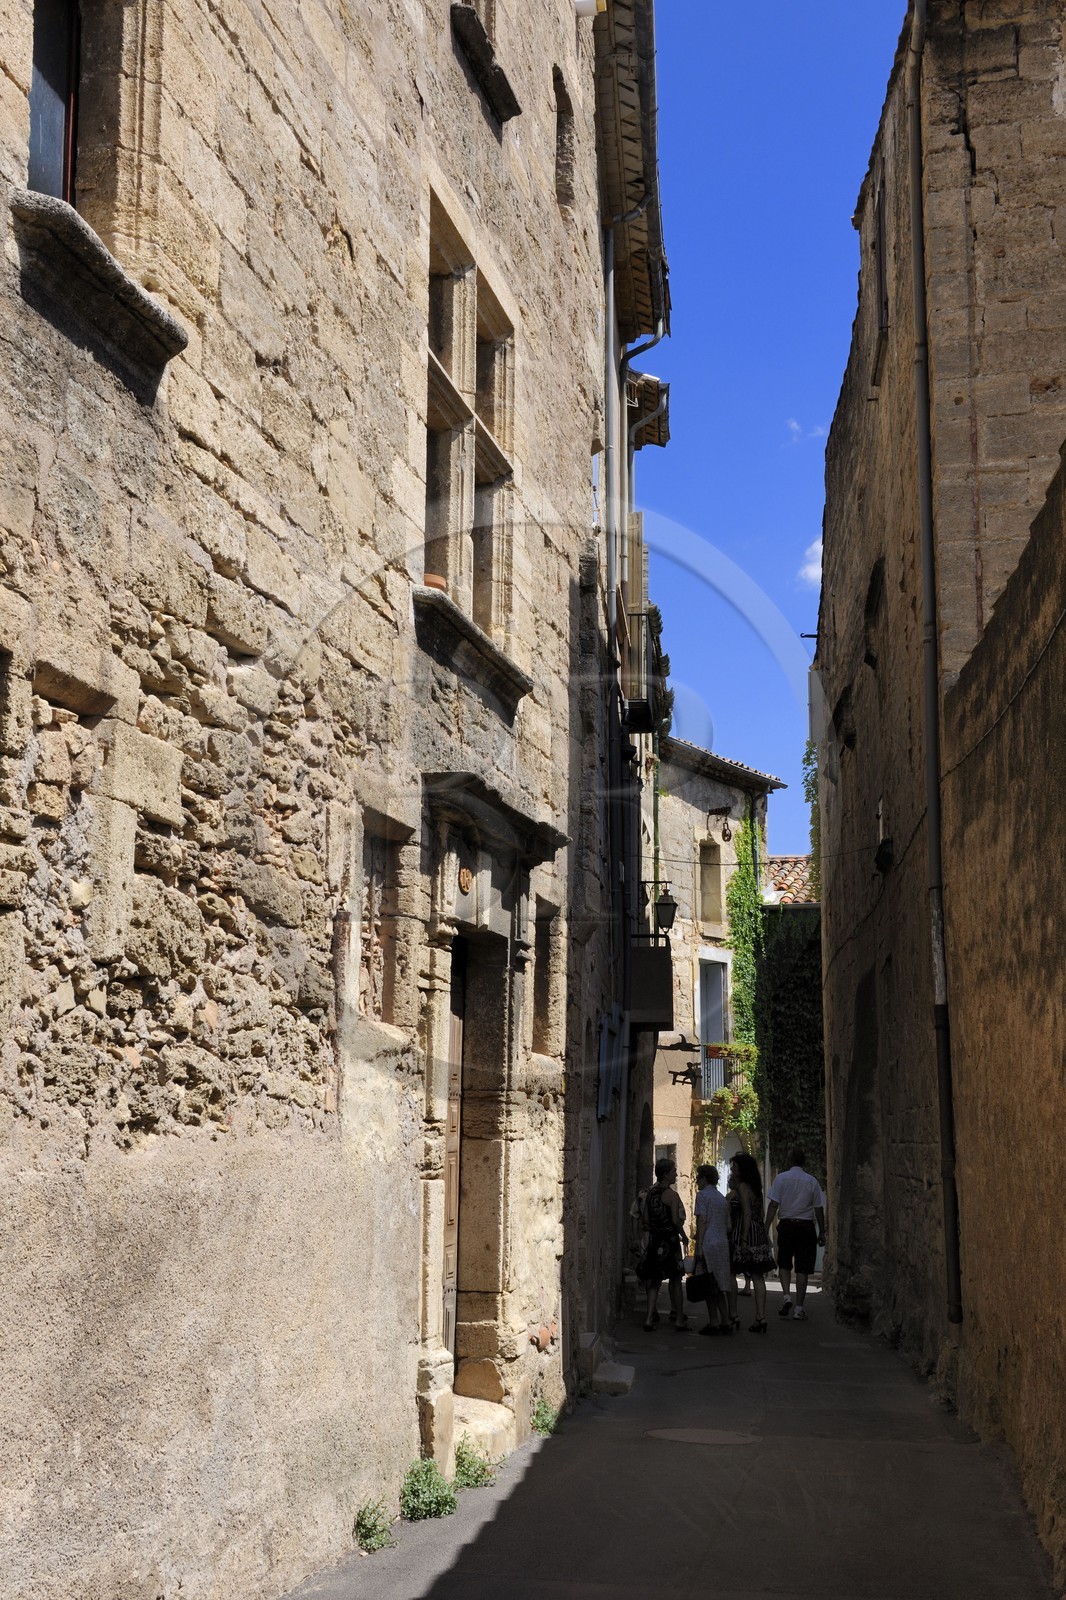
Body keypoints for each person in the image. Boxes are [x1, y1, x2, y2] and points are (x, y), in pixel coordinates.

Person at [764, 1146, 826, 1321]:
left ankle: (786, 1296)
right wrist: (822, 1231)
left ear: (790, 1160)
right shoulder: (812, 1181)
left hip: (787, 1225)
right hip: (806, 1227)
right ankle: (799, 1308)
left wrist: (766, 1225)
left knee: (783, 1262)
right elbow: (819, 1209)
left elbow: (774, 1205)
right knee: (803, 1268)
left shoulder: (781, 1179)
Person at [637, 1157, 689, 1331]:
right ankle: (679, 1319)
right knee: (675, 1279)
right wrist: (684, 1236)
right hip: (670, 1241)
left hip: (655, 1240)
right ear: (666, 1174)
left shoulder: (650, 1193)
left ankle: (649, 1318)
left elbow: (645, 1218)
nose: (675, 1174)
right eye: (673, 1171)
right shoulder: (672, 1195)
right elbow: (675, 1221)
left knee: (655, 1280)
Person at [728, 1151, 777, 1333]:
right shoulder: (755, 1187)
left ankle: (733, 1314)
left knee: (732, 1271)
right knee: (757, 1276)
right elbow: (758, 1212)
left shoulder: (742, 1187)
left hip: (746, 1232)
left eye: (734, 1167)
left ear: (742, 1169)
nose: (732, 1169)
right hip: (758, 1233)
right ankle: (761, 1316)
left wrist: (742, 1237)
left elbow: (746, 1213)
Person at [693, 1164, 736, 1335]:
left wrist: (699, 1245)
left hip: (709, 1242)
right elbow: (728, 1226)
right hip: (722, 1243)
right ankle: (725, 1321)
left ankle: (713, 1322)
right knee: (718, 1283)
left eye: (698, 1178)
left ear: (704, 1179)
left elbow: (702, 1220)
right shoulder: (721, 1198)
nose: (697, 1182)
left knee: (708, 1284)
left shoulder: (702, 1196)